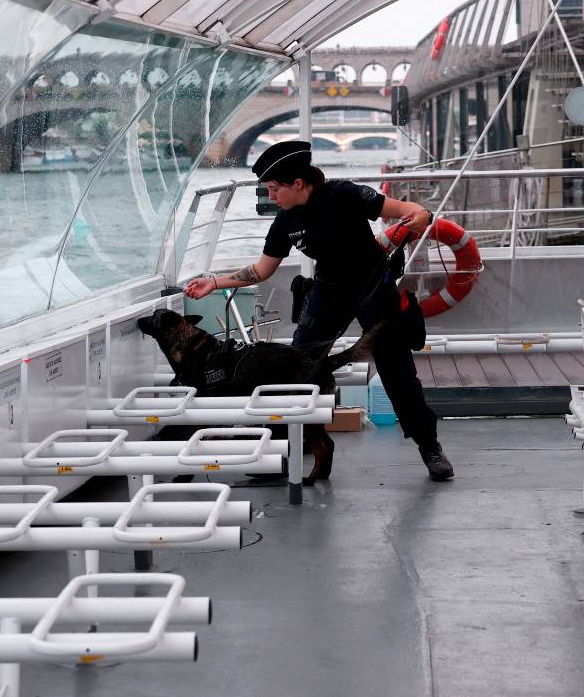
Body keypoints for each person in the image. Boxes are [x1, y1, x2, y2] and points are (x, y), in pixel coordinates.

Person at [185, 140, 454, 481]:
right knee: (295, 371)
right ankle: (284, 453)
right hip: (328, 292)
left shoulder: (345, 194)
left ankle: (429, 447)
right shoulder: (285, 222)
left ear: (299, 183)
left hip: (372, 287)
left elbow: (406, 209)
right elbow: (261, 270)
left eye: (274, 189)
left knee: (395, 368)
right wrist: (214, 282)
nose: (272, 196)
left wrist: (421, 215)